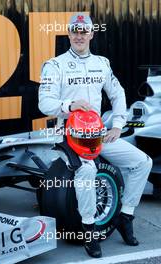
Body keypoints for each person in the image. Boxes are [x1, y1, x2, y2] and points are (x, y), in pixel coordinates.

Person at [38, 13, 152, 258]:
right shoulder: (54, 65)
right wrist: (70, 106)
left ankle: (126, 216)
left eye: (84, 31)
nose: (79, 35)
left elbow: (118, 93)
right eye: (75, 31)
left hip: (98, 135)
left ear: (91, 34)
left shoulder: (102, 63)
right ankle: (89, 228)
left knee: (143, 162)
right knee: (87, 171)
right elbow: (44, 103)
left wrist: (118, 125)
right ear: (68, 34)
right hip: (67, 136)